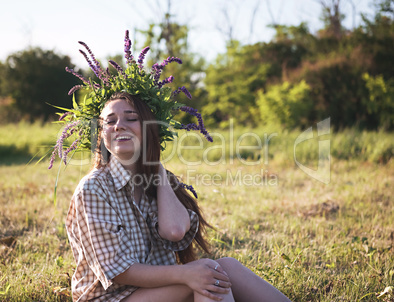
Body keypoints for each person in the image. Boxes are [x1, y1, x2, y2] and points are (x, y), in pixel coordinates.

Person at [49, 30, 291, 302]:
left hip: (155, 292)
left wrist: (157, 170)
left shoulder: (157, 180)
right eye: (110, 121)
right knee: (206, 280)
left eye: (131, 118)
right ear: (102, 134)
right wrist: (185, 275)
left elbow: (175, 232)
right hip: (112, 297)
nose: (119, 125)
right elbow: (117, 272)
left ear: (150, 129)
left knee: (226, 268)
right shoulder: (93, 188)